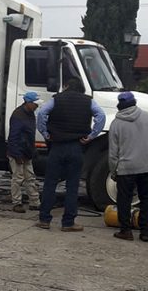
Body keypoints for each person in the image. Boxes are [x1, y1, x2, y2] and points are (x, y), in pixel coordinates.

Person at [35, 78, 106, 231]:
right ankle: (68, 223)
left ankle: (44, 219)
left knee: (50, 183)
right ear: (81, 88)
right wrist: (92, 135)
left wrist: (45, 133)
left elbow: (41, 113)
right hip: (76, 146)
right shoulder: (89, 101)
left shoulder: (56, 100)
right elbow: (101, 116)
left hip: (57, 146)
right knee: (72, 186)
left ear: (66, 86)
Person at [107, 92, 148, 242]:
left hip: (126, 169)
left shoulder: (116, 124)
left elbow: (113, 153)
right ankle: (146, 232)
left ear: (119, 104)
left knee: (124, 200)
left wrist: (114, 171)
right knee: (147, 199)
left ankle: (125, 231)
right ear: (134, 102)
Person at [6, 91, 42, 213]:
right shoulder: (18, 115)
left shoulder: (28, 113)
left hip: (26, 151)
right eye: (35, 104)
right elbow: (13, 137)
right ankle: (17, 203)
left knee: (30, 177)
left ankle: (35, 202)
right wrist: (17, 155)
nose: (37, 106)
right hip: (19, 152)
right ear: (28, 102)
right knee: (18, 178)